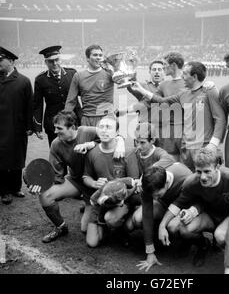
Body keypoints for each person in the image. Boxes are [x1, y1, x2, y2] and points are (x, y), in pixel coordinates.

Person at [27, 111, 124, 243]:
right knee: (45, 195)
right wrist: (39, 185)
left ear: (72, 127)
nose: (55, 131)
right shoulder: (56, 144)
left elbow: (113, 134)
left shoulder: (87, 131)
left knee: (85, 229)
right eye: (55, 127)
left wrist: (120, 143)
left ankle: (110, 222)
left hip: (98, 183)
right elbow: (55, 177)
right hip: (77, 181)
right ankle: (60, 227)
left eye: (59, 128)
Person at [158, 148, 229, 267]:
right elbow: (178, 203)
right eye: (199, 172)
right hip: (210, 215)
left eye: (207, 171)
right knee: (185, 229)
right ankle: (204, 245)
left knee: (220, 236)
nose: (203, 177)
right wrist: (162, 225)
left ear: (217, 167)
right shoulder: (191, 182)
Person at [132, 61, 226, 171]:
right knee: (187, 181)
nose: (182, 76)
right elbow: (161, 101)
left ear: (194, 77)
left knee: (207, 179)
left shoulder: (209, 91)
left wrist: (213, 144)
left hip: (204, 147)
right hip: (186, 148)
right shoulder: (183, 94)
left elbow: (220, 119)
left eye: (185, 74)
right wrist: (141, 89)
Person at [82, 115, 140, 248]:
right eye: (101, 127)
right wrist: (94, 183)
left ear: (117, 132)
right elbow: (86, 177)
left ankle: (122, 229)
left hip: (122, 201)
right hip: (100, 200)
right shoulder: (92, 153)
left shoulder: (128, 153)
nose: (104, 130)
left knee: (111, 219)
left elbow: (135, 182)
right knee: (91, 241)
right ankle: (105, 227)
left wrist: (116, 196)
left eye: (108, 127)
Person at [132, 163, 192, 272]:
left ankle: (193, 242)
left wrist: (163, 225)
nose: (154, 198)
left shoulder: (185, 178)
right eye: (152, 196)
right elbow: (147, 216)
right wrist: (150, 252)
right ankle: (156, 238)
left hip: (186, 207)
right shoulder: (146, 186)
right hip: (165, 205)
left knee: (173, 226)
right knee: (138, 218)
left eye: (158, 195)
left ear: (167, 183)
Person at [0, 47, 33, 204]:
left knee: (17, 157)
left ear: (11, 61)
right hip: (1, 127)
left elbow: (29, 106)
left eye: (1, 60)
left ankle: (16, 187)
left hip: (17, 128)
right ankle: (4, 191)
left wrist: (29, 126)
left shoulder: (24, 81)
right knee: (2, 159)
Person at [33, 46, 81, 146]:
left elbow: (84, 94)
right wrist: (37, 127)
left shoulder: (72, 74)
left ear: (60, 59)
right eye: (51, 61)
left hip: (74, 121)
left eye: (56, 60)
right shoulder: (40, 79)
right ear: (46, 62)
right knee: (57, 154)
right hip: (53, 124)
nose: (55, 63)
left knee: (78, 152)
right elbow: (38, 105)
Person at [65, 44, 114, 126]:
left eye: (100, 55)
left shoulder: (110, 73)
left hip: (107, 118)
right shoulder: (78, 76)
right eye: (95, 55)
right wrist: (65, 118)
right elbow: (71, 101)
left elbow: (125, 82)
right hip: (87, 119)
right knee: (86, 139)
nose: (98, 57)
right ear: (88, 58)